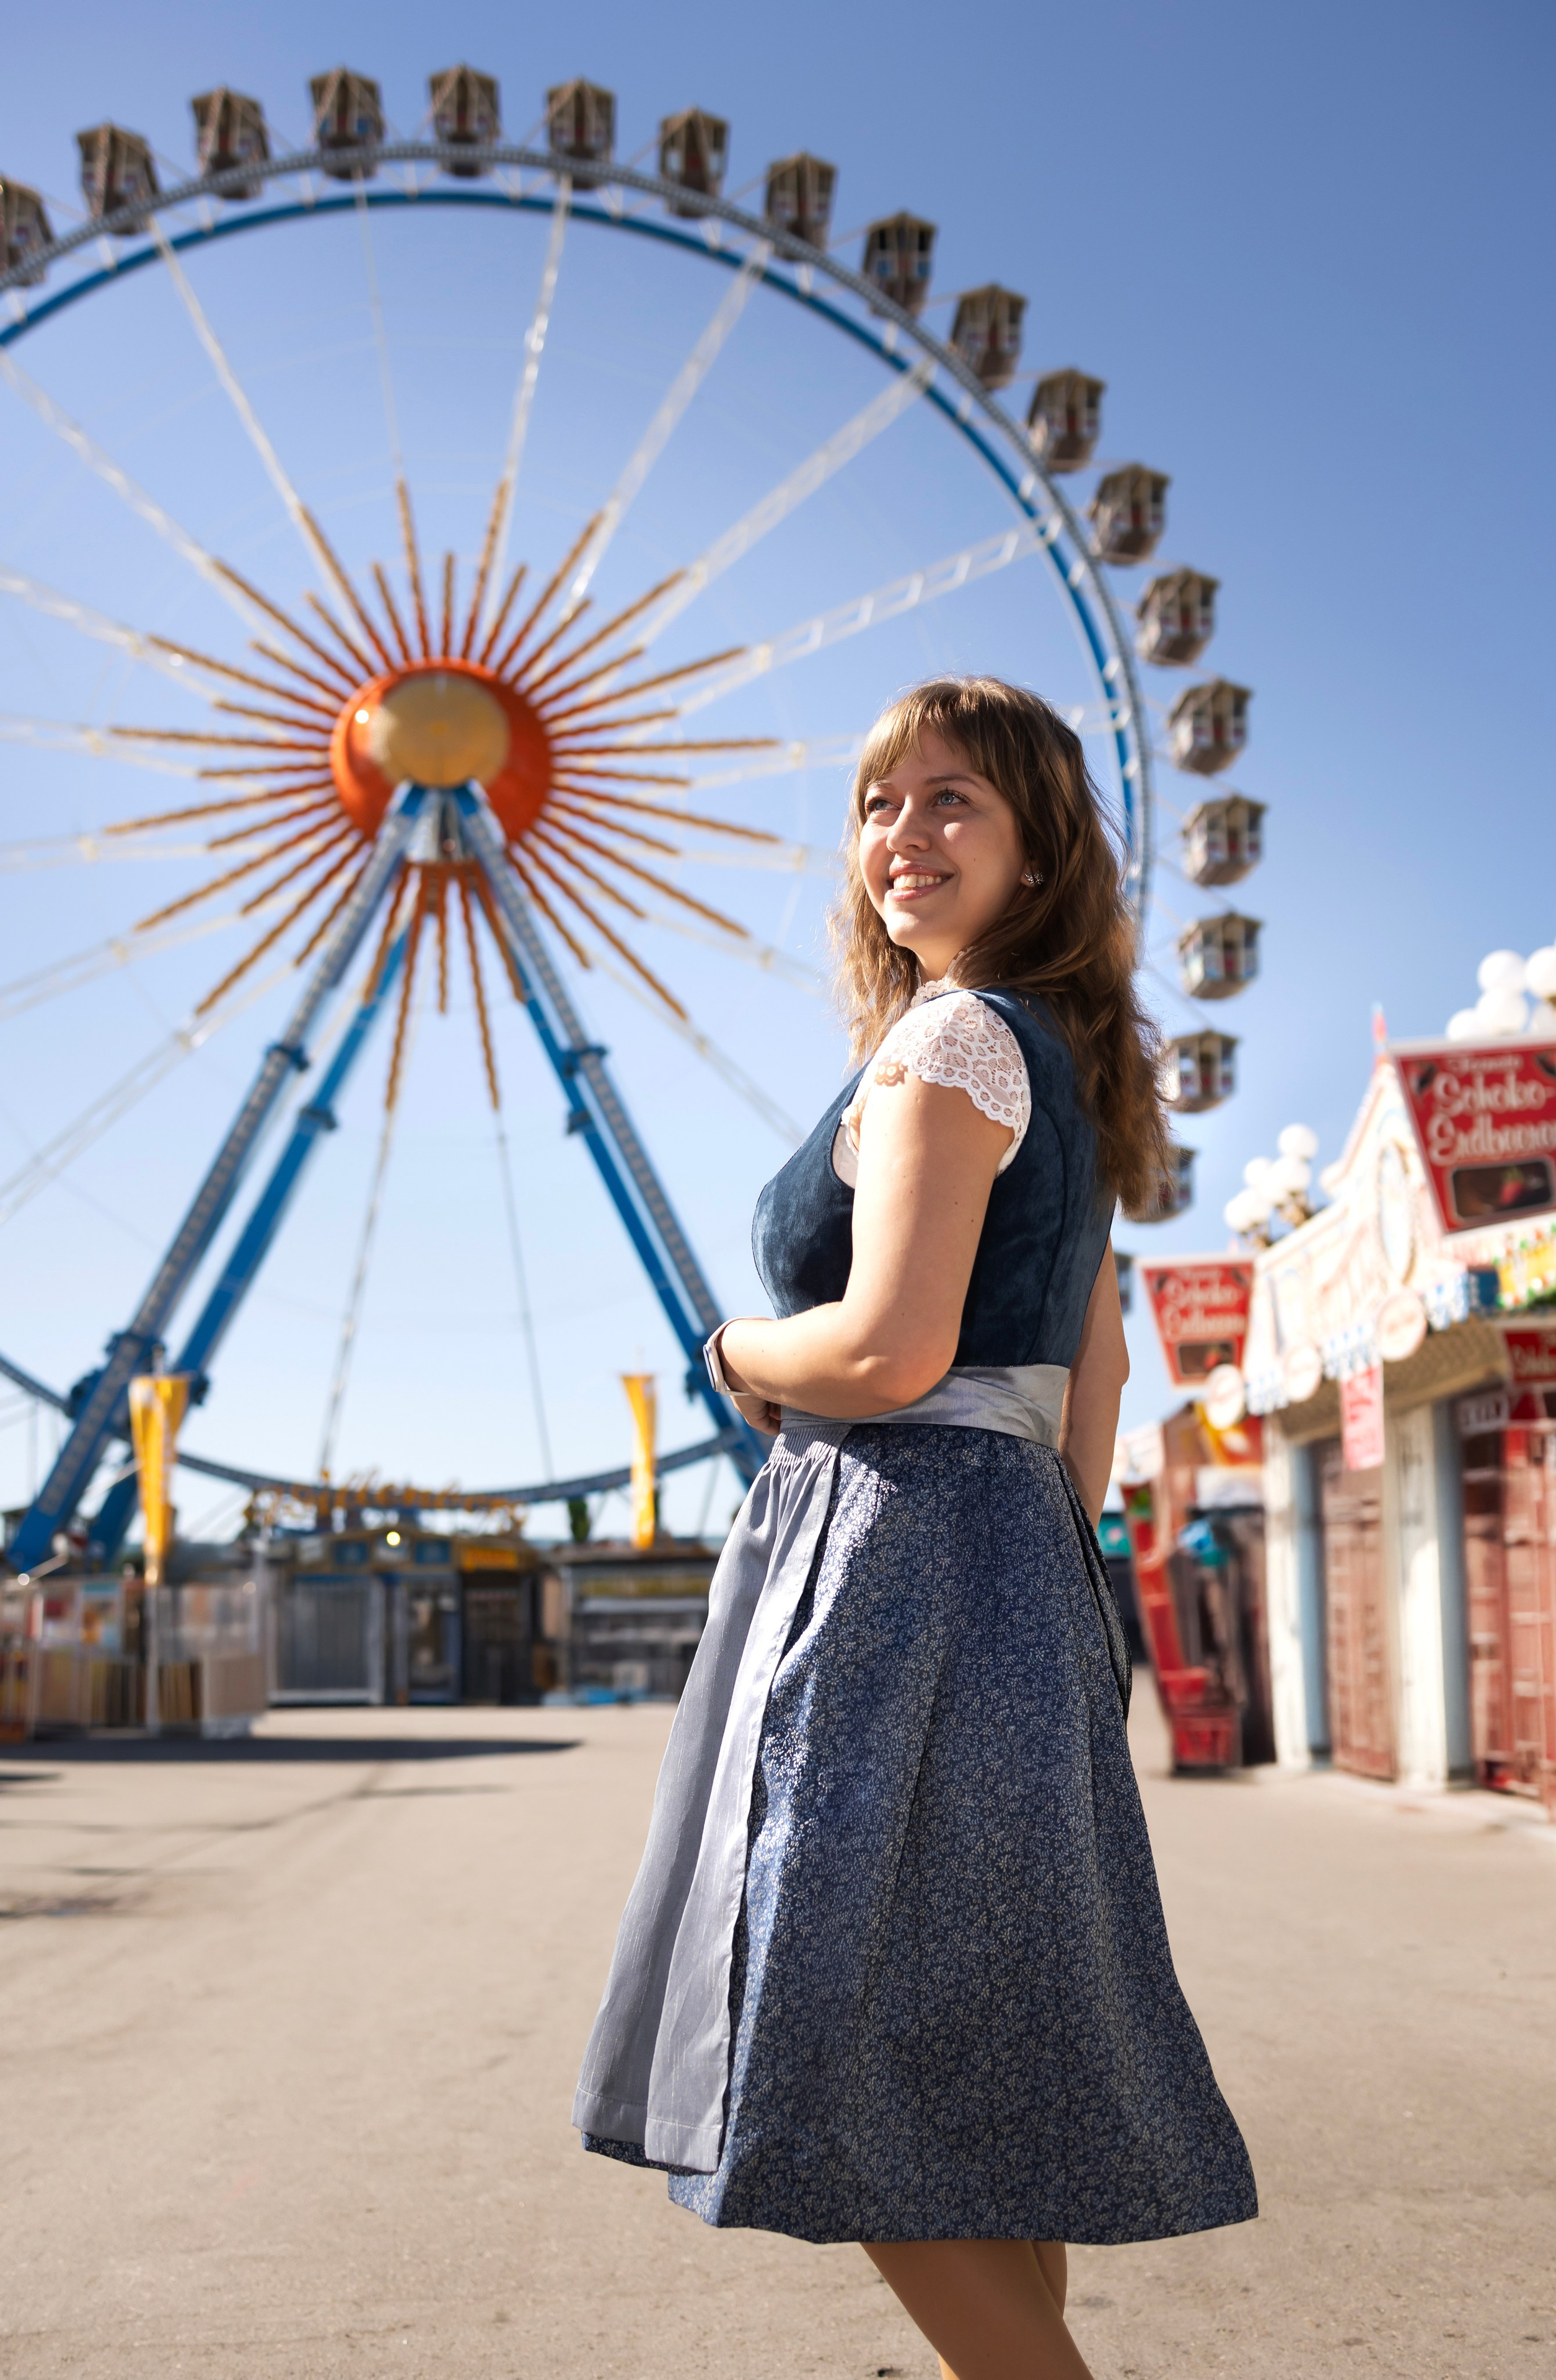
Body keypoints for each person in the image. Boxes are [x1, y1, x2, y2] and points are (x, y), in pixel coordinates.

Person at [574, 676, 1257, 2379]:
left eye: (955, 800)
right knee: (985, 2077)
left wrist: (735, 1356)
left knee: (850, 2053)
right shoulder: (1072, 1076)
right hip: (1017, 1556)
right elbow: (1091, 1391)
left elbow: (888, 1347)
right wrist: (1023, 1565)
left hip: (890, 1552)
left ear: (1038, 852)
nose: (904, 833)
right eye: (882, 802)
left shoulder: (950, 1040)